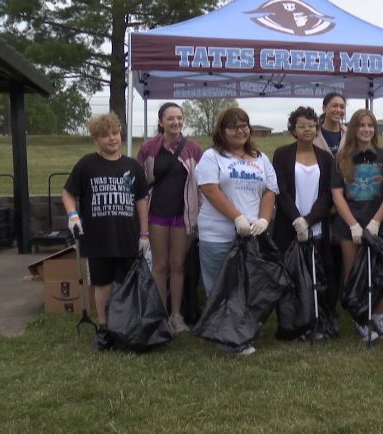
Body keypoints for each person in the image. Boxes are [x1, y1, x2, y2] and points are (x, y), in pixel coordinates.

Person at [62, 113, 150, 350]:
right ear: (96, 140)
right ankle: (103, 327)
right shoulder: (86, 164)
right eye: (105, 135)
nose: (112, 138)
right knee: (102, 284)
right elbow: (68, 193)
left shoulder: (133, 166)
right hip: (98, 238)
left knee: (126, 284)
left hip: (127, 237)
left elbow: (141, 200)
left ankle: (125, 326)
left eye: (115, 133)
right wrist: (73, 215)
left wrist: (144, 234)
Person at [195, 107, 279, 355]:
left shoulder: (260, 158)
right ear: (222, 131)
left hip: (251, 235)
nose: (241, 131)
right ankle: (226, 339)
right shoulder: (211, 157)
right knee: (221, 286)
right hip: (218, 233)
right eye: (234, 127)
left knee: (246, 285)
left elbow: (270, 191)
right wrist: (237, 217)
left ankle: (241, 331)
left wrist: (263, 220)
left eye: (244, 125)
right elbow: (210, 190)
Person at [136, 102, 202, 333]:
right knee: (160, 266)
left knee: (178, 266)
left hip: (183, 216)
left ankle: (176, 315)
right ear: (161, 122)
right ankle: (159, 315)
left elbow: (201, 184)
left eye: (179, 118)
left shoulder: (192, 148)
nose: (176, 122)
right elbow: (138, 182)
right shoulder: (148, 148)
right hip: (157, 215)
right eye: (171, 118)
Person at [331, 108, 383, 342]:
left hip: (380, 222)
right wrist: (353, 225)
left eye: (370, 125)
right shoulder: (342, 157)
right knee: (353, 271)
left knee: (380, 271)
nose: (366, 129)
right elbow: (337, 194)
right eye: (361, 125)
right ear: (354, 129)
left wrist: (377, 221)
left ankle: (378, 317)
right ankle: (360, 317)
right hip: (350, 224)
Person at [272, 106, 334, 334]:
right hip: (289, 225)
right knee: (291, 275)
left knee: (315, 271)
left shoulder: (326, 158)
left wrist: (308, 220)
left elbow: (328, 194)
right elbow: (281, 190)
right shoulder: (282, 154)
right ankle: (293, 322)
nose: (308, 130)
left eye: (311, 125)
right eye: (302, 126)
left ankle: (317, 318)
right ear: (293, 130)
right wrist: (297, 219)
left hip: (316, 224)